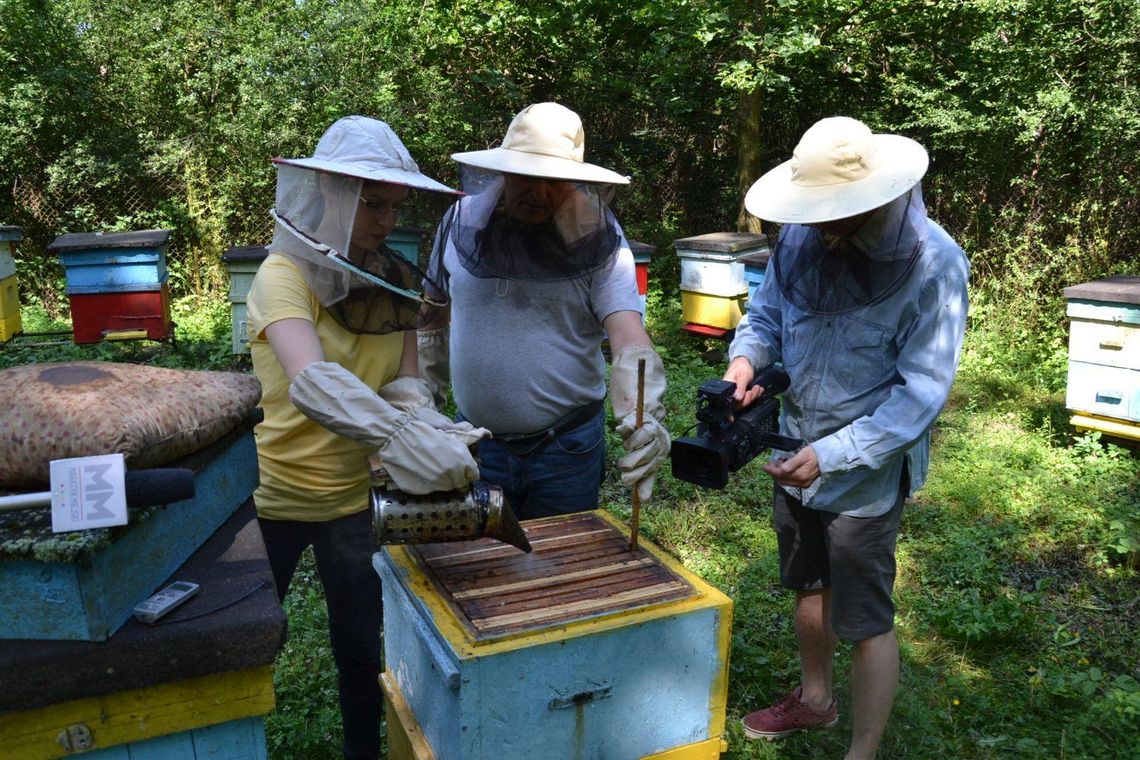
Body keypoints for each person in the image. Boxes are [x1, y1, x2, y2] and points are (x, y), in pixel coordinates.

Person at [724, 116, 969, 759]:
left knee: (863, 617)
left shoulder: (935, 262)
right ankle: (815, 700)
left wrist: (831, 455)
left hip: (862, 472)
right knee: (808, 586)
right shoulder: (801, 239)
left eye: (839, 213)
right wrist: (745, 362)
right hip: (793, 448)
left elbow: (921, 393)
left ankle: (862, 751)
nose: (825, 226)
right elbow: (767, 315)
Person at [246, 115, 488, 760]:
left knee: (360, 650)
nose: (384, 220)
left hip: (356, 502)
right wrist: (401, 437)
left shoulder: (392, 283)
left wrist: (434, 429)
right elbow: (314, 382)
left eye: (394, 206)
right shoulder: (282, 277)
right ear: (327, 188)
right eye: (372, 203)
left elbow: (406, 384)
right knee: (244, 653)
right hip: (272, 500)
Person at [419, 102, 671, 519]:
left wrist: (642, 412)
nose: (539, 194)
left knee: (561, 566)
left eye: (554, 181)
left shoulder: (598, 235)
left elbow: (627, 330)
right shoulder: (459, 220)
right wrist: (421, 410)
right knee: (482, 570)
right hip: (472, 443)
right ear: (503, 169)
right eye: (527, 177)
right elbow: (432, 313)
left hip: (566, 449)